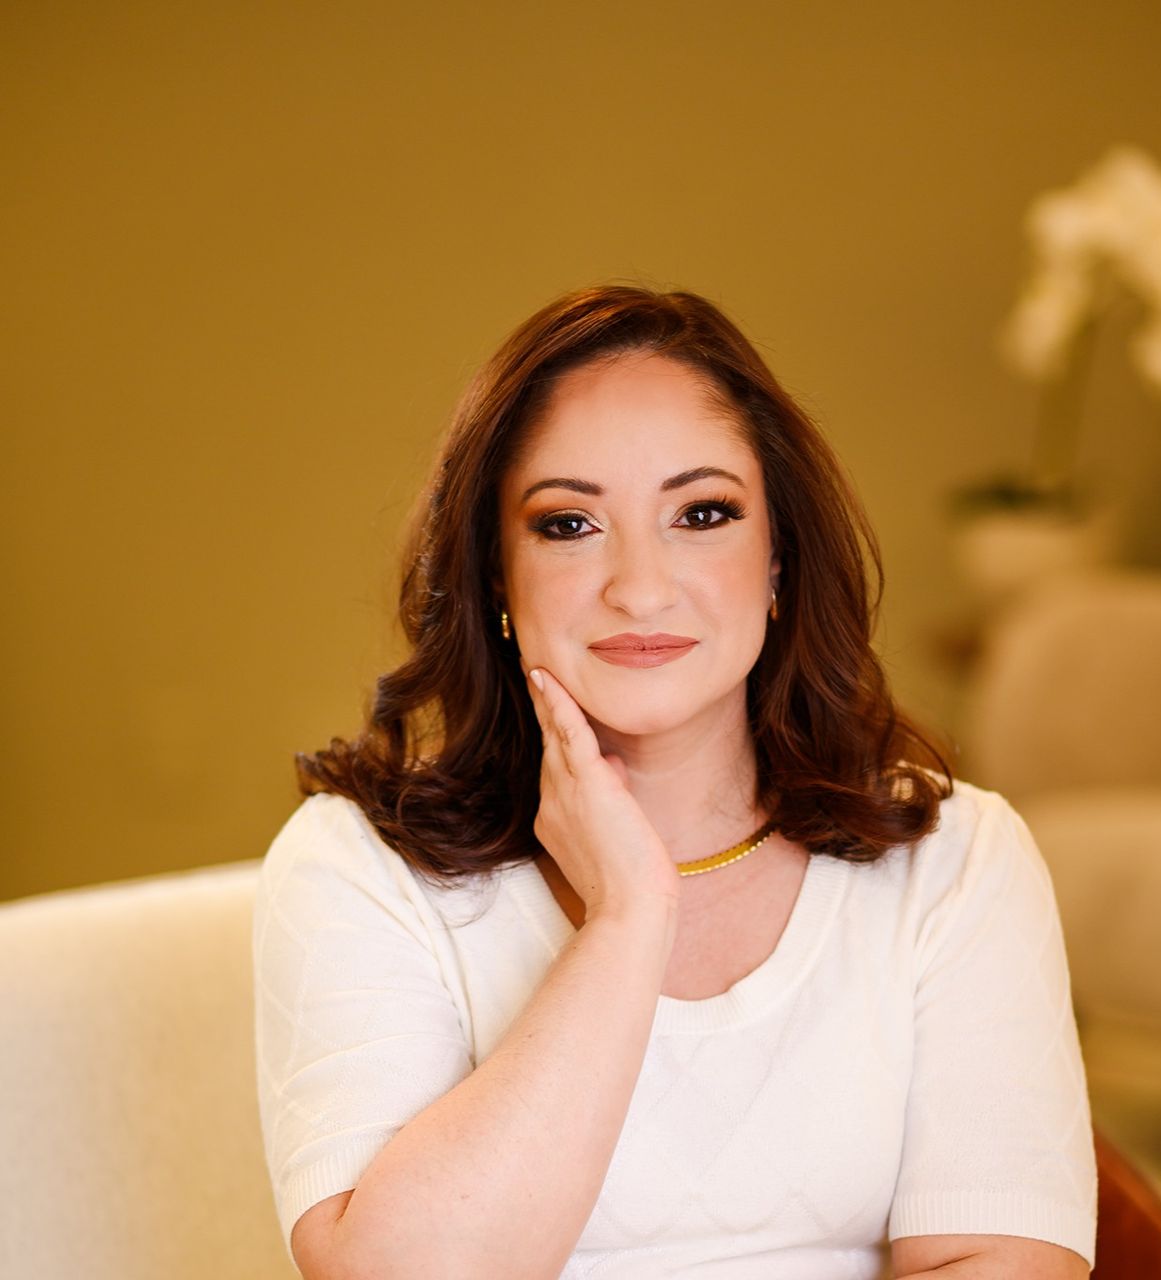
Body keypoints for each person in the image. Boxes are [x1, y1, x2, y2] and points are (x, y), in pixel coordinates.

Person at [253, 285, 1096, 1279]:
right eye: (569, 523)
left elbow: (1001, 1259)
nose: (641, 587)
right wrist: (626, 920)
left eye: (701, 513)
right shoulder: (359, 867)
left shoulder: (953, 858)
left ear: (777, 560)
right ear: (495, 575)